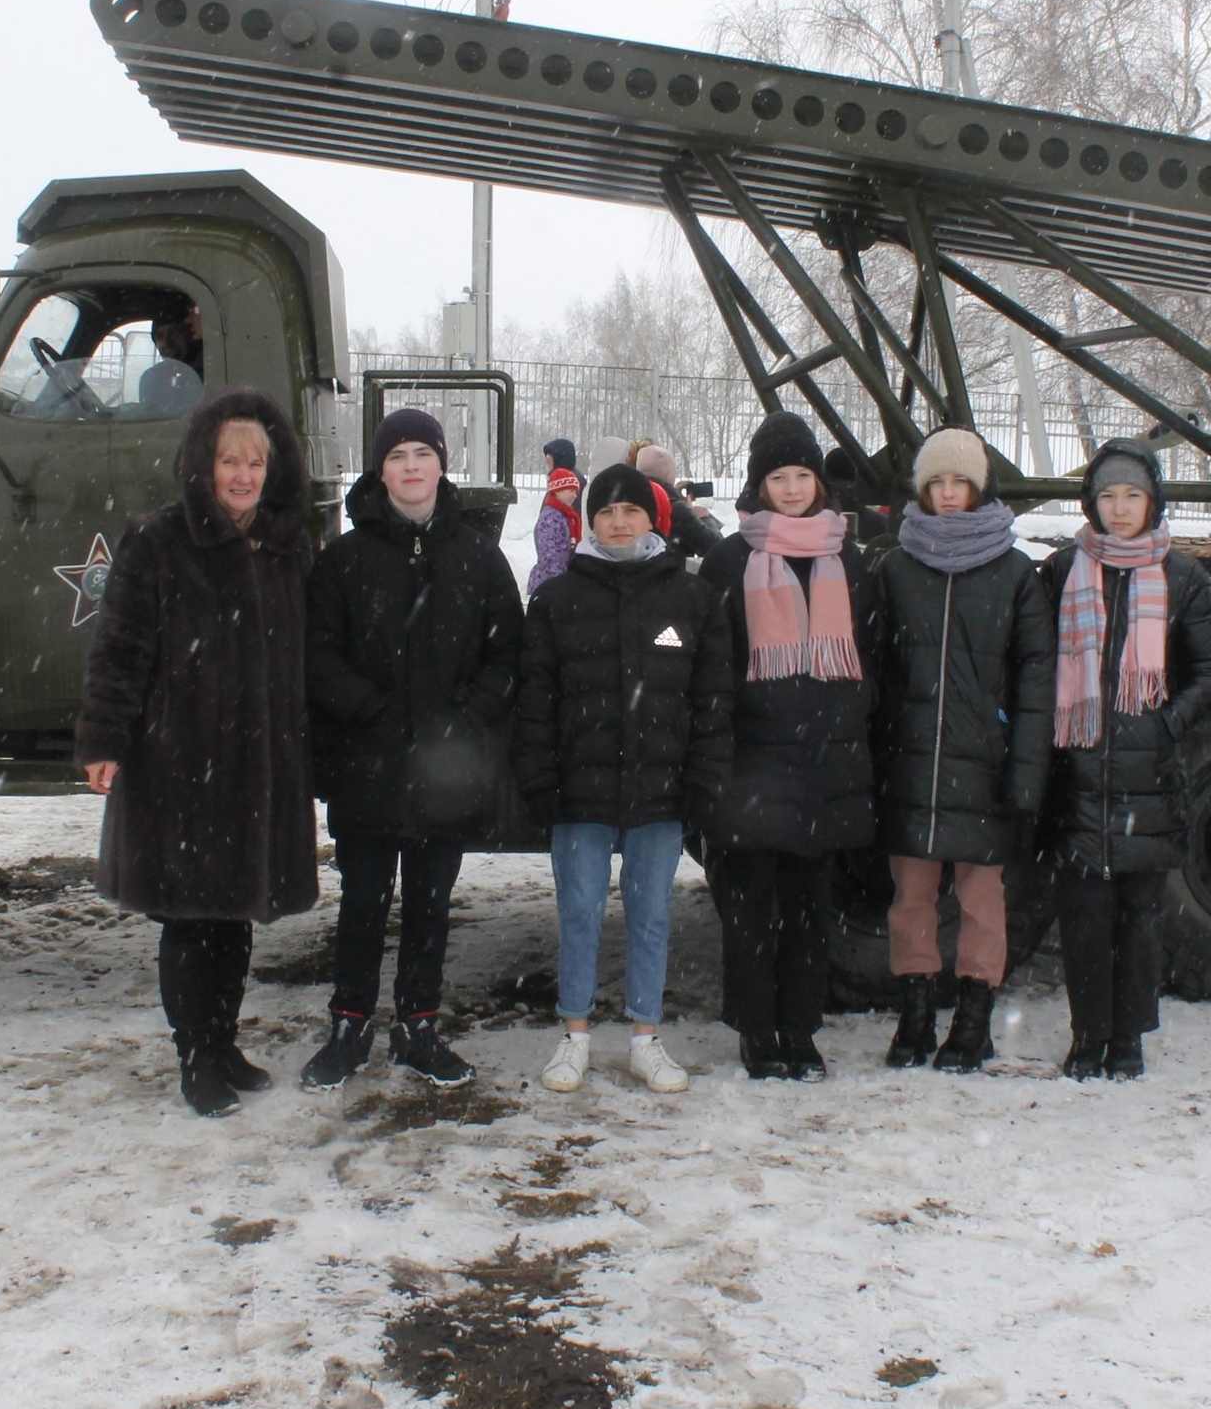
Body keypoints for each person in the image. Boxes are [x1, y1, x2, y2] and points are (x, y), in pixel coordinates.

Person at [76, 388, 319, 1117]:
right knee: (190, 917)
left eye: (255, 462)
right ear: (203, 465)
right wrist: (104, 741)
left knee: (236, 913)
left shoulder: (286, 547)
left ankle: (224, 1041)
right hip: (181, 760)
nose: (242, 475)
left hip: (260, 766)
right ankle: (195, 1056)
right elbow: (119, 649)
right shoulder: (157, 540)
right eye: (229, 461)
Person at [301, 407, 523, 1091]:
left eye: (421, 454)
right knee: (363, 901)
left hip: (446, 768)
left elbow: (508, 651)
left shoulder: (478, 558)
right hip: (368, 763)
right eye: (396, 456)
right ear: (379, 469)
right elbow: (318, 652)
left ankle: (418, 1026)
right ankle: (349, 1024)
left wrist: (467, 718)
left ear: (441, 464)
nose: (410, 468)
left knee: (430, 904)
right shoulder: (343, 559)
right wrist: (367, 708)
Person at [516, 463, 734, 1095]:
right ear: (590, 521)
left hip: (659, 789)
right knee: (579, 912)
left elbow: (711, 698)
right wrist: (538, 779)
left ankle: (646, 1037)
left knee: (649, 915)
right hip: (578, 790)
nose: (617, 521)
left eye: (629, 510)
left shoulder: (690, 598)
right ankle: (574, 1037)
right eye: (605, 511)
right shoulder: (557, 600)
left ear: (652, 518)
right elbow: (537, 699)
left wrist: (702, 779)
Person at [1033, 440, 1211, 1082]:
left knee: (1140, 921)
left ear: (1153, 502)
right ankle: (1088, 1037)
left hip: (1149, 781)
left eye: (1133, 495)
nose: (1120, 509)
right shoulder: (1063, 570)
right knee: (1084, 922)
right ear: (1091, 502)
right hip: (1079, 779)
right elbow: (1034, 661)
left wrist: (1166, 723)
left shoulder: (1182, 577)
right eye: (1108, 496)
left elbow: (1208, 669)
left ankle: (1129, 1039)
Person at [697, 412, 880, 1081]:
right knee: (749, 907)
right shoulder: (728, 559)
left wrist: (852, 718)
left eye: (804, 475)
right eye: (780, 476)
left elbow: (867, 653)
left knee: (809, 911)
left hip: (824, 759)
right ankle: (756, 1030)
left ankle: (799, 1030)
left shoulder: (845, 557)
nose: (794, 487)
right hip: (753, 760)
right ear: (760, 483)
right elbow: (710, 662)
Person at [874, 428, 1053, 1074]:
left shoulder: (1013, 573)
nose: (948, 495)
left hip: (985, 765)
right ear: (922, 489)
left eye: (960, 483)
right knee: (911, 902)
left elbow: (1037, 680)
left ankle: (973, 1023)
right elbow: (878, 672)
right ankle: (915, 1017)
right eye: (937, 483)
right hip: (914, 761)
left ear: (980, 489)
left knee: (982, 904)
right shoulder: (896, 568)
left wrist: (1026, 771)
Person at [635, 442, 720, 559]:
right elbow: (717, 550)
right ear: (672, 476)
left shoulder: (630, 502)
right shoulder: (675, 510)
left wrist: (675, 494)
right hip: (668, 575)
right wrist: (704, 518)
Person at [528, 465, 582, 595]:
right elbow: (549, 555)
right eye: (571, 490)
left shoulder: (566, 516)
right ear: (558, 490)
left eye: (576, 492)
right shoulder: (550, 518)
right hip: (547, 585)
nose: (575, 495)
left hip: (559, 582)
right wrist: (560, 582)